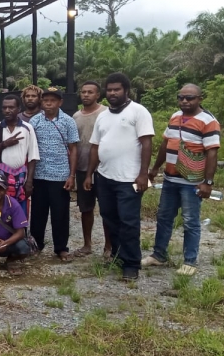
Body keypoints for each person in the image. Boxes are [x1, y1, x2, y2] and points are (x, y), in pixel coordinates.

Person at [143, 84, 221, 276]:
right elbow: (165, 144)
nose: (185, 101)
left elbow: (212, 153)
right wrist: (155, 168)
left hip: (192, 182)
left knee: (190, 221)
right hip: (170, 179)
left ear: (200, 99)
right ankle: (158, 255)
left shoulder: (208, 121)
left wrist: (208, 183)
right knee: (164, 217)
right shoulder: (175, 116)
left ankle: (190, 261)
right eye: (181, 97)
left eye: (190, 98)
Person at [84, 72, 154, 281]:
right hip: (105, 177)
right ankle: (117, 255)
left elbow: (147, 143)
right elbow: (95, 147)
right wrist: (89, 175)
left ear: (126, 90)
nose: (112, 93)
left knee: (128, 221)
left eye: (117, 89)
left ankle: (131, 264)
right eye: (109, 90)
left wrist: (143, 174)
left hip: (129, 179)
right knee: (110, 218)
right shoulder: (103, 116)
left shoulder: (138, 111)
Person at [29, 87, 79, 261]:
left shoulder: (68, 121)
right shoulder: (35, 121)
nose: (48, 103)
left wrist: (72, 175)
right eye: (45, 100)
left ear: (60, 102)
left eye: (53, 100)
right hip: (39, 175)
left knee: (60, 213)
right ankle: (36, 245)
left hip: (60, 175)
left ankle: (61, 248)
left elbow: (73, 149)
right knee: (37, 213)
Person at [71, 81, 111, 258]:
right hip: (82, 168)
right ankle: (87, 244)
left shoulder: (106, 113)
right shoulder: (76, 116)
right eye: (83, 92)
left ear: (98, 95)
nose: (86, 95)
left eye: (90, 92)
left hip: (103, 170)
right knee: (85, 209)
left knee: (106, 209)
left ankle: (108, 246)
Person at [0, 94, 39, 215]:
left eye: (11, 107)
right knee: (0, 211)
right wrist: (4, 144)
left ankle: (20, 228)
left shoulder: (27, 128)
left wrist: (29, 182)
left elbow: (33, 157)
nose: (7, 110)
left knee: (20, 212)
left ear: (19, 109)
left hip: (21, 178)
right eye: (4, 107)